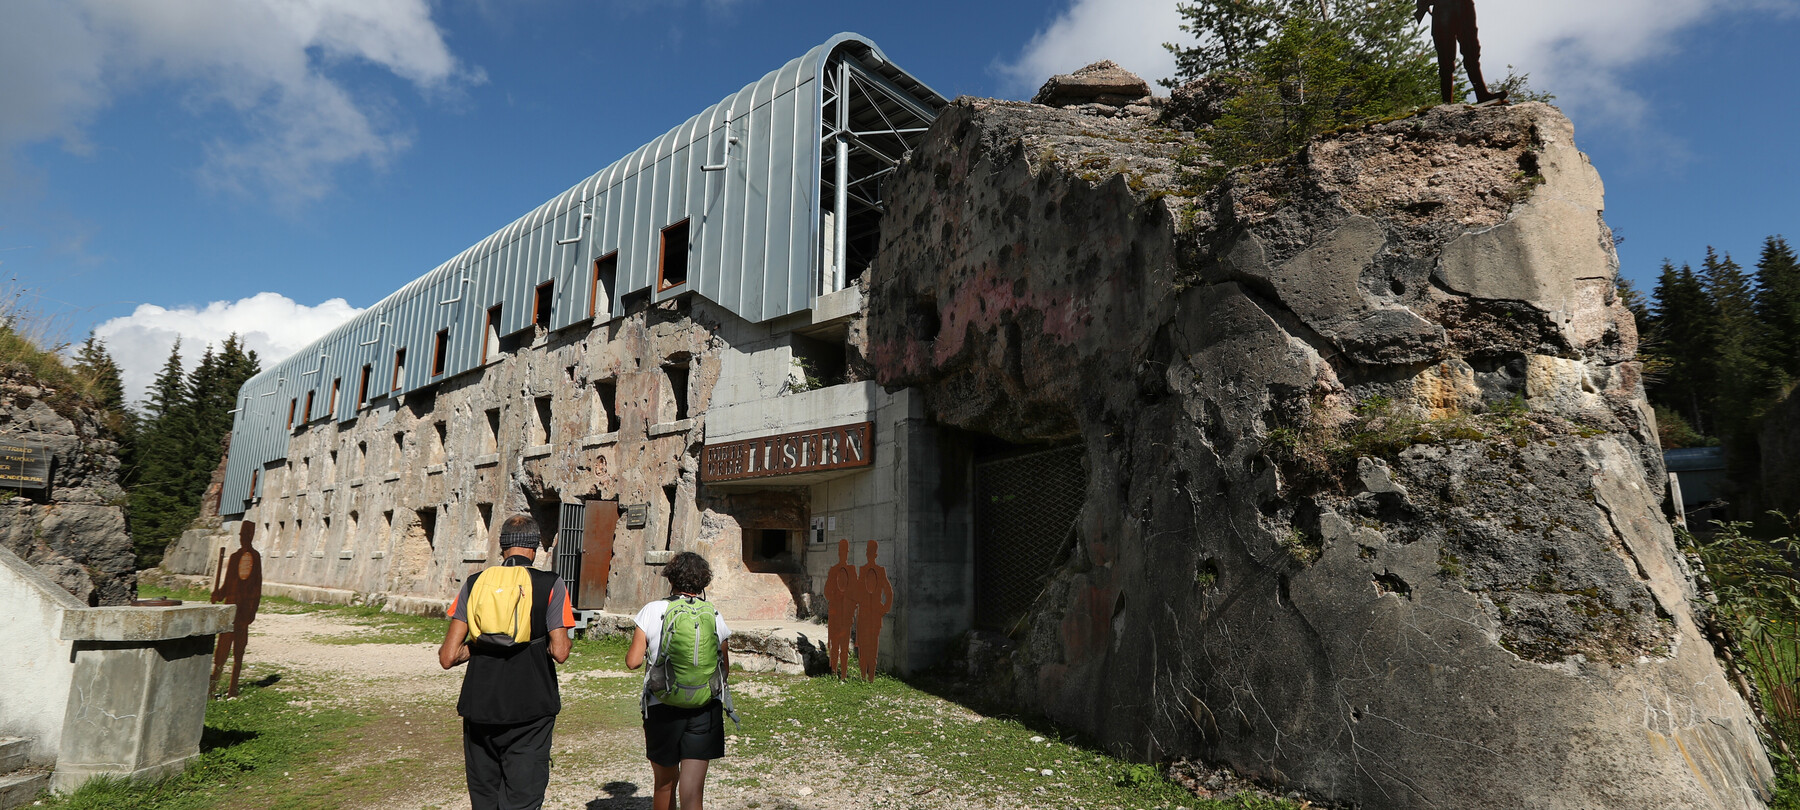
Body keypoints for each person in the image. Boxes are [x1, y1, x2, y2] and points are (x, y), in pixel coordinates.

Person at [439, 515, 574, 810]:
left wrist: (481, 644)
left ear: (502, 547)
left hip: (480, 705)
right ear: (535, 548)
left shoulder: (474, 583)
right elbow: (561, 652)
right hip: (531, 708)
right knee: (523, 798)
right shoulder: (550, 584)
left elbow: (448, 657)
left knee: (485, 797)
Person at [626, 552, 732, 810]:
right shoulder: (713, 614)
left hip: (662, 705)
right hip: (704, 708)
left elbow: (633, 661)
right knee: (692, 790)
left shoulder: (652, 610)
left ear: (670, 579)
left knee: (664, 784)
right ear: (703, 582)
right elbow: (724, 669)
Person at [1415, 0, 1505, 104]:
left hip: (1462, 6)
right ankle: (1447, 103)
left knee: (1470, 51)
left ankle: (1481, 94)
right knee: (1446, 58)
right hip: (1444, 9)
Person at [211, 521, 263, 697]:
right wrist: (218, 594)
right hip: (230, 609)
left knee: (239, 651)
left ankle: (233, 688)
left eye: (246, 535)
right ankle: (213, 686)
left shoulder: (256, 558)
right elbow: (227, 584)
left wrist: (252, 611)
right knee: (221, 651)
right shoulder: (234, 557)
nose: (243, 539)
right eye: (242, 536)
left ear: (251, 536)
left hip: (244, 612)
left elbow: (257, 587)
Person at [854, 540, 892, 683]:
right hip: (863, 614)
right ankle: (864, 677)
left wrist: (884, 609)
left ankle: (870, 678)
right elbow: (858, 592)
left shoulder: (880, 571)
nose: (869, 554)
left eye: (871, 552)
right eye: (868, 552)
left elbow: (889, 592)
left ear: (875, 554)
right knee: (863, 648)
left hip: (874, 615)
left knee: (873, 647)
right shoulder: (862, 570)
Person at [822, 539, 858, 680]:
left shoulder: (852, 571)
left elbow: (855, 592)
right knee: (835, 644)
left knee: (844, 645)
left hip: (846, 614)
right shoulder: (833, 570)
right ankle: (834, 672)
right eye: (842, 551)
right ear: (839, 553)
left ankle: (843, 674)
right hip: (835, 612)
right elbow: (827, 591)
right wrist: (836, 597)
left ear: (847, 553)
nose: (843, 554)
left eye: (845, 551)